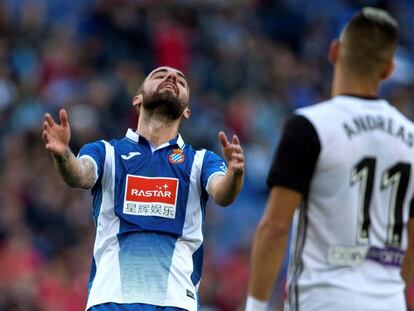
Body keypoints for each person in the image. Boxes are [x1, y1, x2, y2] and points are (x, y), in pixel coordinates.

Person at [246, 7, 414, 311]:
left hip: (322, 299)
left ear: (334, 51)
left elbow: (275, 227)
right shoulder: (411, 138)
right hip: (389, 302)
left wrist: (255, 306)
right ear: (388, 69)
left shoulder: (309, 126)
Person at [42, 66, 244, 311]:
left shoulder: (201, 161)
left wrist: (235, 173)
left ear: (187, 111)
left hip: (175, 301)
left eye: (180, 81)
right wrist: (64, 155)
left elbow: (222, 193)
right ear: (137, 98)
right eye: (160, 75)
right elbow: (79, 175)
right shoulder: (106, 152)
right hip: (111, 299)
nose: (171, 78)